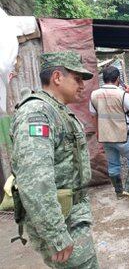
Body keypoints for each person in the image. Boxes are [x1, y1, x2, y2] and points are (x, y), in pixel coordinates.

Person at [10, 51, 99, 268]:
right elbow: (35, 182)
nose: (82, 85)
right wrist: (56, 234)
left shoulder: (56, 110)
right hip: (62, 220)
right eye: (77, 79)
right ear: (57, 77)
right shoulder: (37, 113)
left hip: (71, 213)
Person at [90, 66, 129, 203]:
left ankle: (118, 191)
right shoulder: (121, 93)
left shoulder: (94, 95)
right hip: (122, 135)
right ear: (118, 79)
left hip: (105, 136)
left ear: (103, 78)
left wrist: (98, 134)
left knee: (113, 165)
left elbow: (93, 116)